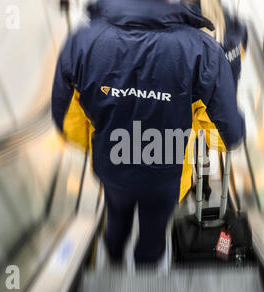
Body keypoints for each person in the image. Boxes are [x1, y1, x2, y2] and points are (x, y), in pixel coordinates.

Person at [51, 0, 245, 266]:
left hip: (113, 166)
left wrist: (97, 141)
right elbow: (228, 135)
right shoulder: (203, 51)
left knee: (116, 214)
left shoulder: (82, 42)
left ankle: (113, 256)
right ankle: (147, 268)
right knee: (154, 227)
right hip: (167, 173)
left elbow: (66, 121)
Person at [186, 0, 248, 200]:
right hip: (225, 111)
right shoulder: (236, 24)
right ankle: (204, 176)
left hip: (200, 112)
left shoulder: (191, 28)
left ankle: (191, 180)